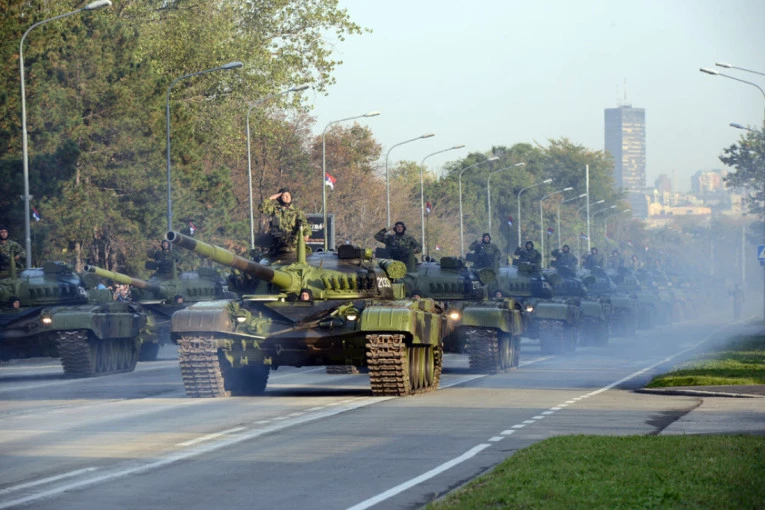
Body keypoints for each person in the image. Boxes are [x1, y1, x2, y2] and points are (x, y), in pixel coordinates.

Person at [259, 187, 307, 253]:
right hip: (277, 242)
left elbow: (303, 222)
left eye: (288, 195)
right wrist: (270, 198)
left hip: (292, 243)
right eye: (284, 195)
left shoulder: (296, 210)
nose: (287, 197)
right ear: (279, 197)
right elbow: (261, 208)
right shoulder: (275, 208)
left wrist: (306, 234)